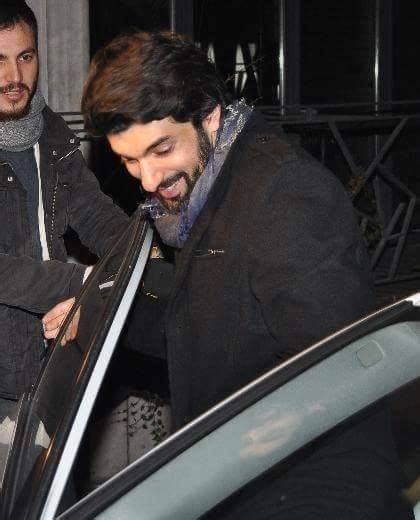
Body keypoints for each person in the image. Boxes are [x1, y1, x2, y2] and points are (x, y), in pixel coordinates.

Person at [52, 31, 410, 518]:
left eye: (161, 150)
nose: (149, 180)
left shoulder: (287, 196)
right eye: (129, 161)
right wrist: (98, 317)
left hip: (306, 491)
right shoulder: (208, 191)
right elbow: (208, 322)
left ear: (210, 115)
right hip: (241, 478)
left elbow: (346, 375)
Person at [0, 0, 129, 416]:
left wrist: (140, 261)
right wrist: (84, 281)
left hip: (50, 368)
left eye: (25, 57)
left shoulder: (52, 135)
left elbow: (97, 216)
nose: (14, 77)